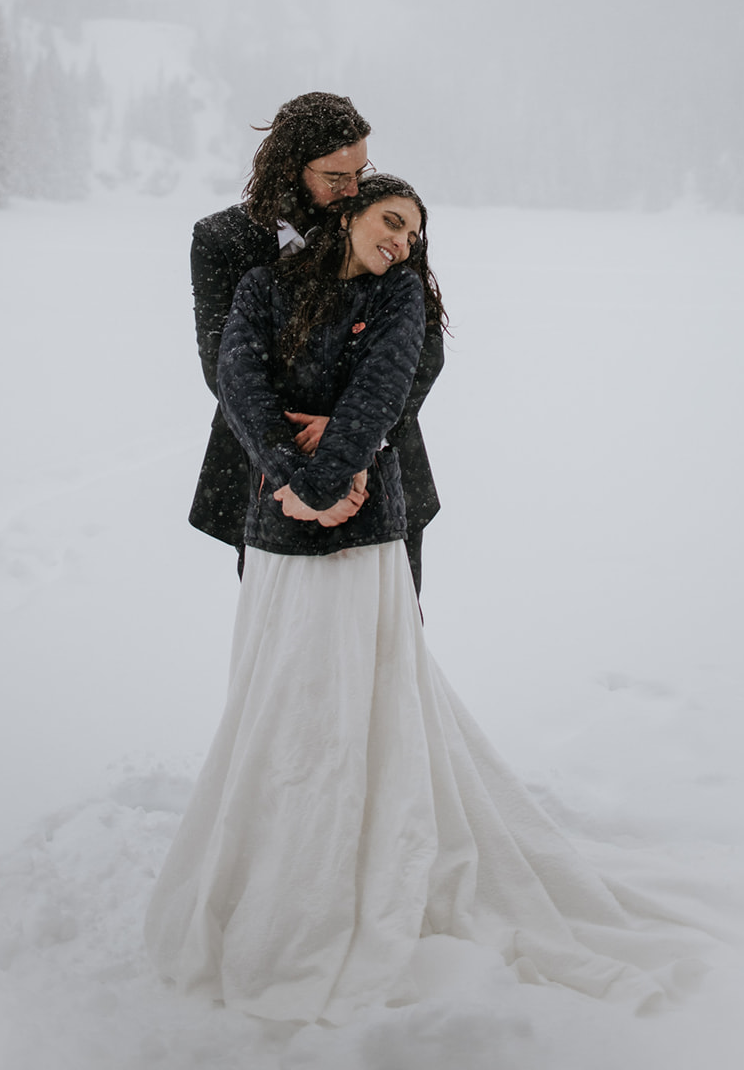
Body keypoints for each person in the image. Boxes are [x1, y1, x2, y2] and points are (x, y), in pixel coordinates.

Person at [146, 176, 708, 1025]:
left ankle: (364, 859)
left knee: (352, 696)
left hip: (366, 526)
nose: (403, 241)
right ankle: (269, 861)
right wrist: (295, 481)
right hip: (280, 531)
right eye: (390, 222)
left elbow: (379, 398)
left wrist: (330, 478)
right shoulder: (265, 285)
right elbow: (240, 382)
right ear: (347, 217)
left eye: (413, 232)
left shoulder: (400, 298)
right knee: (283, 695)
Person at [188, 92, 443, 590]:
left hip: (381, 468)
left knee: (385, 644)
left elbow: (422, 352)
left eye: (359, 172)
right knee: (286, 643)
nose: (352, 190)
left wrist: (353, 438)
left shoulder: (384, 219)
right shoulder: (223, 240)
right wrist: (294, 471)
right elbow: (227, 367)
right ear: (289, 165)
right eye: (335, 177)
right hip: (268, 471)